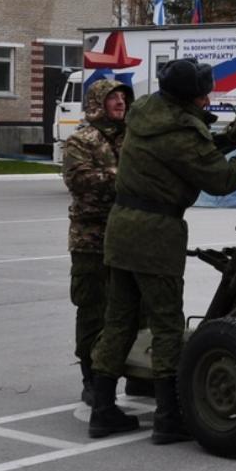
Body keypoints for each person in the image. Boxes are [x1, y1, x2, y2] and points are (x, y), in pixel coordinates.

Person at [89, 59, 236, 443]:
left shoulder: (148, 112)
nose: (208, 98)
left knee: (119, 318)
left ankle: (101, 408)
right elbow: (220, 178)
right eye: (205, 92)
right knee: (167, 323)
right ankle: (169, 415)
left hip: (123, 226)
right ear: (193, 96)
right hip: (156, 232)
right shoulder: (181, 131)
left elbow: (193, 151)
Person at [62, 78, 133, 405]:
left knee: (136, 307)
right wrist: (125, 178)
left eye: (122, 97)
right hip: (91, 240)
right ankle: (91, 377)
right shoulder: (82, 139)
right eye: (112, 98)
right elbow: (78, 179)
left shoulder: (133, 136)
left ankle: (138, 375)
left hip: (129, 237)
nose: (120, 102)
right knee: (93, 309)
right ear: (96, 103)